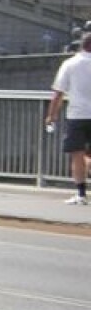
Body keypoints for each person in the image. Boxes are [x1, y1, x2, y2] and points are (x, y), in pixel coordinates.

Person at [45, 30, 91, 205]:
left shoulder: (70, 64)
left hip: (78, 115)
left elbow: (58, 93)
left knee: (77, 154)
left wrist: (51, 115)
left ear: (81, 45)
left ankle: (80, 194)